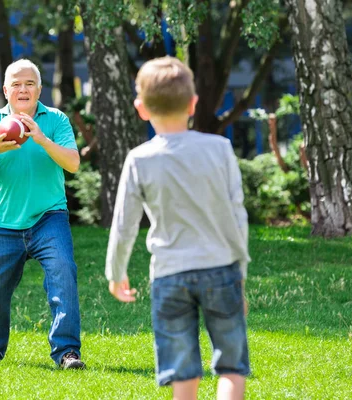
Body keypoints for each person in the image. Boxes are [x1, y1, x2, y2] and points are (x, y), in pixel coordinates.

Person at [105, 56, 251, 399]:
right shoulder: (220, 149)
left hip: (169, 276)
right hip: (221, 269)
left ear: (141, 108)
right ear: (193, 103)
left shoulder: (139, 159)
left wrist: (116, 272)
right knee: (231, 367)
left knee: (181, 373)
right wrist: (239, 272)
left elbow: (124, 224)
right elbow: (237, 215)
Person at [0, 58, 85, 370]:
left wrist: (41, 138)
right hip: (4, 223)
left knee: (63, 277)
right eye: (16, 84)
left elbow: (73, 164)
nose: (23, 89)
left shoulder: (56, 120)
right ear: (6, 90)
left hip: (50, 218)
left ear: (39, 89)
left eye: (29, 83)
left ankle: (67, 353)